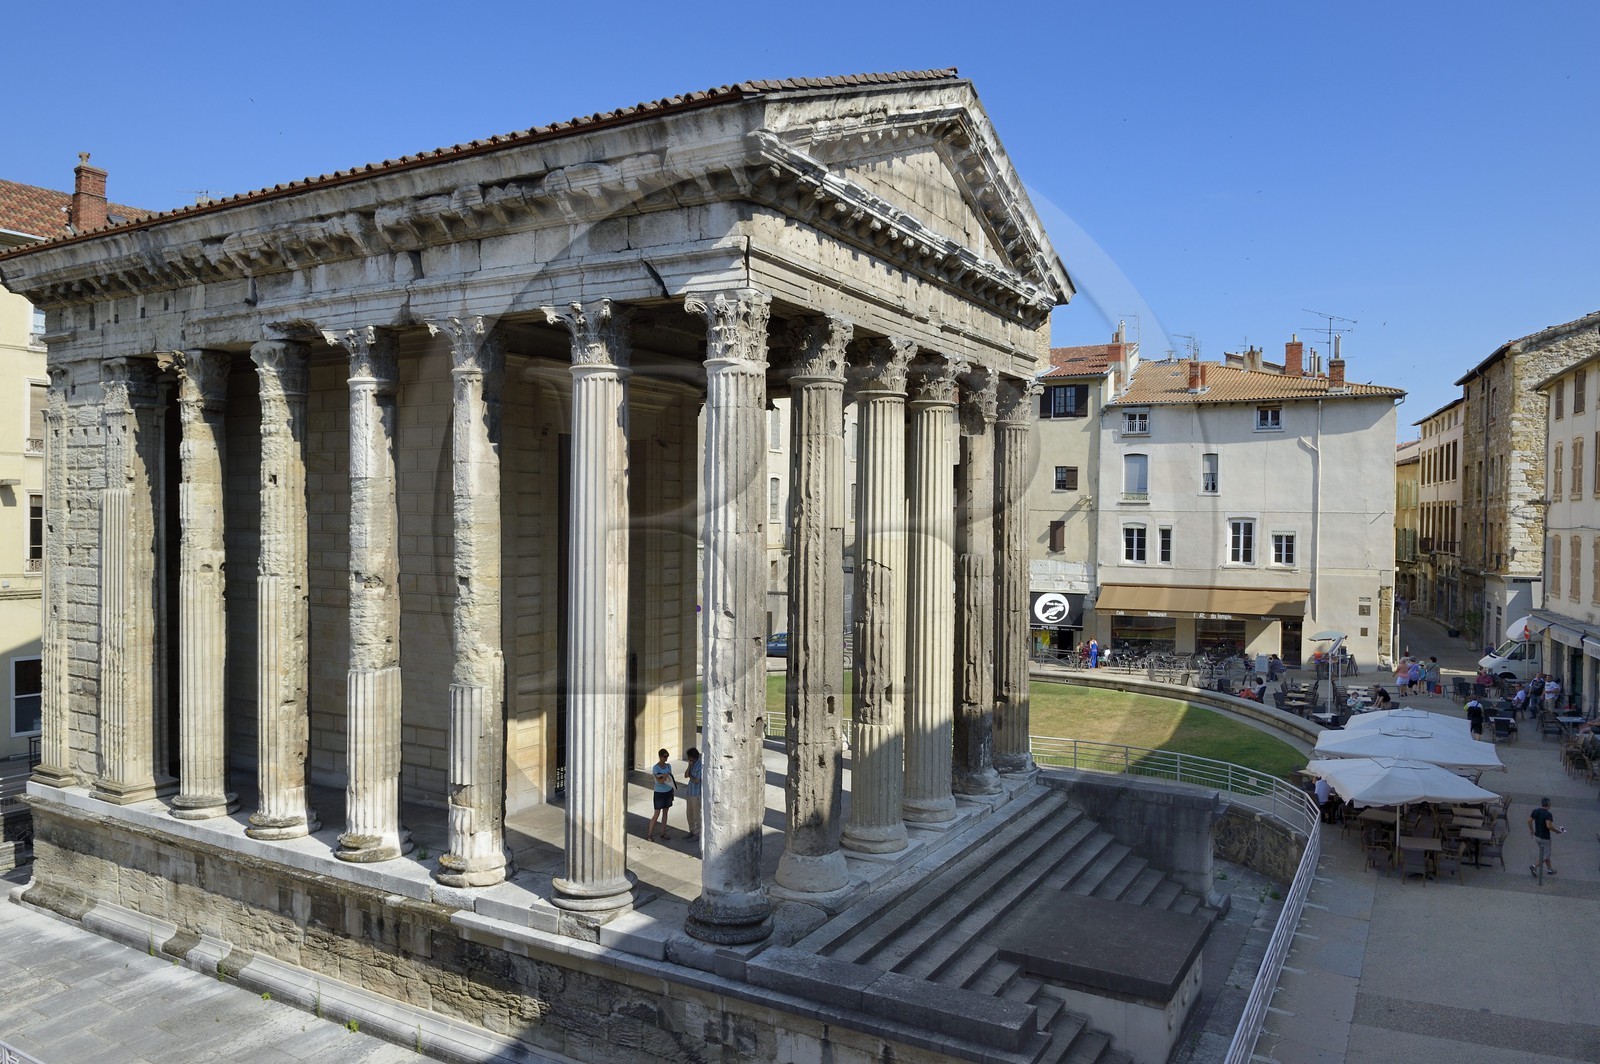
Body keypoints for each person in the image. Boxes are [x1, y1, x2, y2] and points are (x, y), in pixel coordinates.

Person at [647, 748, 677, 842]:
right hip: (659, 793)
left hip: (668, 791)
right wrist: (664, 777)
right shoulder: (656, 768)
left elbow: (671, 778)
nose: (666, 758)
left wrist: (672, 790)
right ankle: (649, 834)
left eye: (667, 756)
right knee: (656, 814)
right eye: (665, 756)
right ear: (660, 757)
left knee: (665, 813)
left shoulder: (668, 766)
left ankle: (663, 832)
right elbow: (659, 781)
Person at [1529, 796, 1565, 877]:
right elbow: (1548, 826)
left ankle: (1549, 869)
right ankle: (1534, 866)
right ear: (1548, 805)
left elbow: (1529, 821)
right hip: (1545, 838)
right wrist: (1557, 831)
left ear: (1541, 803)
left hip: (1537, 836)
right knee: (1546, 855)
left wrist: (1531, 830)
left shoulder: (1535, 811)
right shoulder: (1548, 814)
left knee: (1545, 853)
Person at [681, 747, 703, 841]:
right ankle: (692, 830)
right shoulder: (691, 764)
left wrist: (690, 775)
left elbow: (697, 780)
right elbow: (685, 775)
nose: (690, 760)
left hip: (696, 793)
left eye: (691, 759)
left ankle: (697, 833)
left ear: (695, 757)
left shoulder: (700, 766)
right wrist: (689, 766)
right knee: (689, 813)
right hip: (690, 792)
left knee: (696, 814)